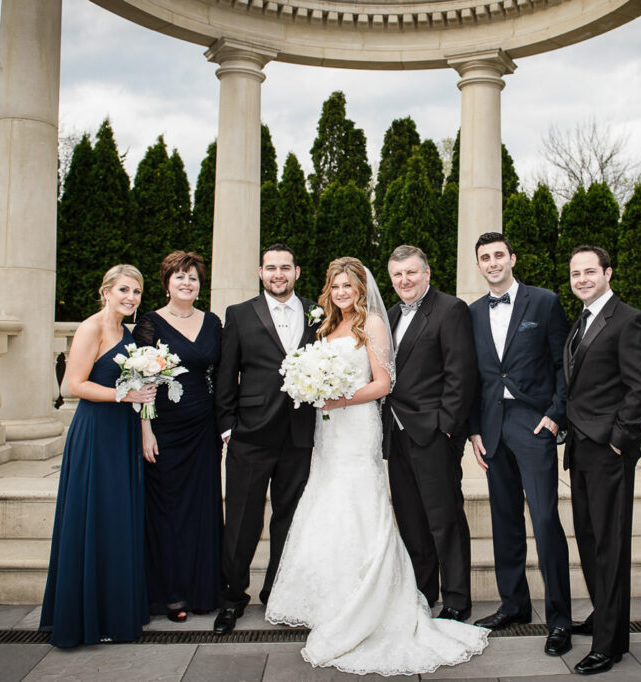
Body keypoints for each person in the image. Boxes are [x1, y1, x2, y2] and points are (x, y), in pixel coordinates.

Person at [266, 257, 488, 675]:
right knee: (375, 512)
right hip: (352, 432)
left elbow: (411, 378)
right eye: (335, 286)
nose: (342, 292)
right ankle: (375, 593)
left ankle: (456, 599)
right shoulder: (329, 326)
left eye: (349, 285)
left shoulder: (391, 319)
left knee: (437, 515)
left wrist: (447, 426)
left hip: (397, 426)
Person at [40, 264, 157, 648]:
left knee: (119, 518)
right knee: (93, 516)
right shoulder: (91, 328)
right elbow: (75, 385)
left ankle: (117, 611)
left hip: (124, 432)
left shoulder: (128, 332)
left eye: (137, 292)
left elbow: (138, 387)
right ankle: (85, 615)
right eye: (124, 290)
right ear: (105, 291)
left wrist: (144, 429)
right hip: (96, 432)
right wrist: (124, 396)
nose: (131, 298)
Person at [468, 232, 573, 656]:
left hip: (533, 424)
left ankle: (560, 620)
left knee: (545, 520)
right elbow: (473, 376)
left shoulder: (543, 302)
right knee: (504, 520)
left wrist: (555, 414)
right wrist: (474, 429)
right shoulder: (473, 312)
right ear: (478, 265)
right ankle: (514, 604)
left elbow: (562, 364)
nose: (492, 263)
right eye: (484, 258)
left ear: (512, 258)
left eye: (498, 255)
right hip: (492, 428)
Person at [213, 244, 319, 634]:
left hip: (299, 434)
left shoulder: (317, 312)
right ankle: (232, 597)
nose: (279, 274)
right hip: (250, 434)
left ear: (297, 271)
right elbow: (227, 374)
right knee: (242, 519)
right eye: (271, 268)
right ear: (261, 272)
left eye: (285, 267)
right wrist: (227, 425)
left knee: (289, 519)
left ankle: (277, 591)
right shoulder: (239, 315)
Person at [564, 245, 641, 676]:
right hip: (580, 450)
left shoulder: (630, 320)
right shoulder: (581, 322)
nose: (582, 278)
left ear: (607, 273)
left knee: (610, 546)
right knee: (588, 540)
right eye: (575, 273)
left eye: (589, 271)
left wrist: (620, 440)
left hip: (609, 451)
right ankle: (605, 617)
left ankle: (610, 645)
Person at [383, 245, 477, 621]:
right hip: (397, 435)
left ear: (427, 273)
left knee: (445, 519)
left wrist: (448, 431)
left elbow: (461, 374)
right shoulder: (388, 315)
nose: (404, 280)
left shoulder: (451, 310)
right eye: (397, 275)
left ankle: (457, 599)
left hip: (434, 435)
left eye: (411, 273)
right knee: (411, 519)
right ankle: (424, 590)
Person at [133, 251, 222, 623]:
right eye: (180, 277)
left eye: (193, 278)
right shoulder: (149, 324)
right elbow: (137, 380)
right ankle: (171, 595)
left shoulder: (213, 322)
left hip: (204, 427)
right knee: (168, 512)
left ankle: (204, 591)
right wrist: (146, 431)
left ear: (200, 286)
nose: (186, 283)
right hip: (164, 429)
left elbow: (222, 373)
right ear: (167, 281)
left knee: (203, 509)